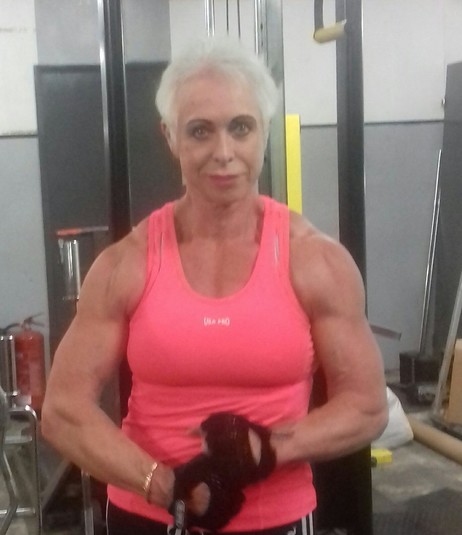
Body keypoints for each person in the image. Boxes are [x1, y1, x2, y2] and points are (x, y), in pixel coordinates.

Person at [42, 37, 388, 535]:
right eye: (200, 131)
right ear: (170, 137)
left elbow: (367, 406)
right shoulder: (127, 263)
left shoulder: (316, 261)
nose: (223, 153)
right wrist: (165, 486)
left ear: (263, 131)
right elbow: (63, 410)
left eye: (240, 128)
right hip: (147, 518)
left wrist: (267, 449)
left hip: (277, 519)